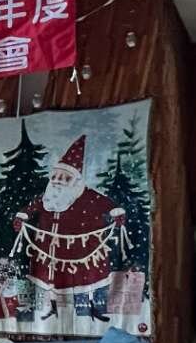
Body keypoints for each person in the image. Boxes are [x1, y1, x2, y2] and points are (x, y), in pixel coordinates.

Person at [9, 136, 130, 326]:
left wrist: (116, 213)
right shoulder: (46, 197)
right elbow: (32, 207)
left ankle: (88, 316)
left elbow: (107, 204)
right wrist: (23, 216)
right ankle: (51, 310)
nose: (58, 181)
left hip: (82, 252)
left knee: (85, 281)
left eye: (64, 177)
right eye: (55, 177)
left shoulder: (89, 197)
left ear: (75, 180)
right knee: (49, 281)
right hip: (49, 252)